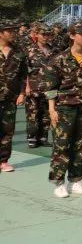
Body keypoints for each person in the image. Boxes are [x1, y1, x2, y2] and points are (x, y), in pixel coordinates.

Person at [42, 22, 82, 197]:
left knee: (81, 145)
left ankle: (76, 180)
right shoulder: (59, 59)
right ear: (72, 36)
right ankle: (58, 182)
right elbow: (51, 88)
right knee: (62, 145)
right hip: (64, 107)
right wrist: (52, 110)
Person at [0, 20, 29, 173]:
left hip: (10, 97)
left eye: (14, 30)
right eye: (9, 30)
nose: (13, 33)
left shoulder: (18, 51)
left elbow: (24, 75)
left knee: (7, 130)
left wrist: (22, 93)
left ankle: (3, 161)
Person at [24, 25, 54, 148]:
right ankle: (32, 137)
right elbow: (24, 70)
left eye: (48, 34)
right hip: (33, 85)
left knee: (46, 113)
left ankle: (43, 137)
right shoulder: (29, 50)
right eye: (43, 34)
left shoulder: (53, 50)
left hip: (48, 87)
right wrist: (26, 86)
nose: (46, 37)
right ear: (36, 35)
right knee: (33, 113)